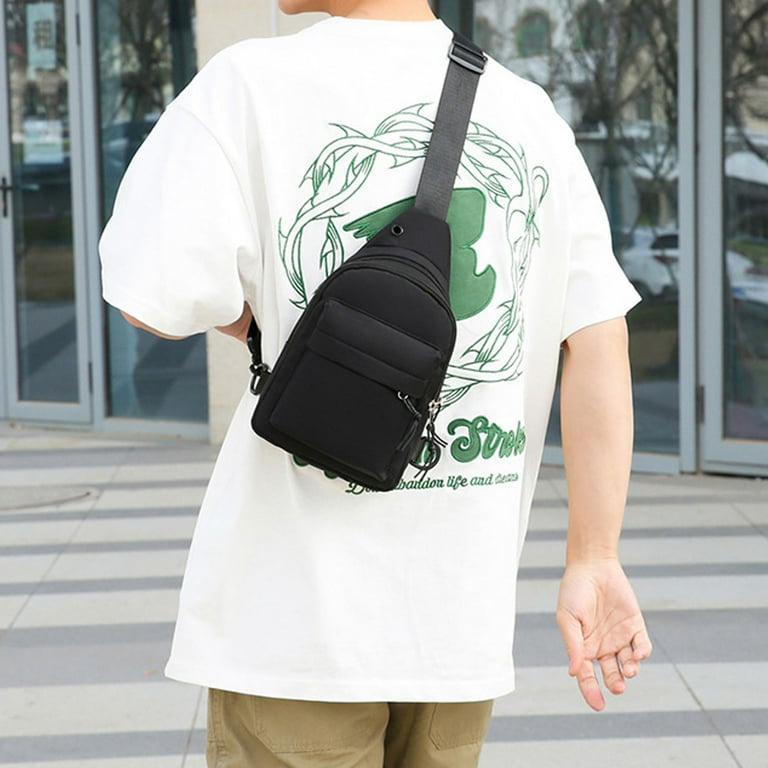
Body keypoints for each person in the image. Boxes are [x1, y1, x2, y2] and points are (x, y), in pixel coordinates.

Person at [99, 0, 652, 765]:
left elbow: (151, 296)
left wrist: (280, 323)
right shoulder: (530, 114)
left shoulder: (247, 85)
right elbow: (596, 336)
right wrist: (594, 555)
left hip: (290, 626)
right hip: (457, 627)